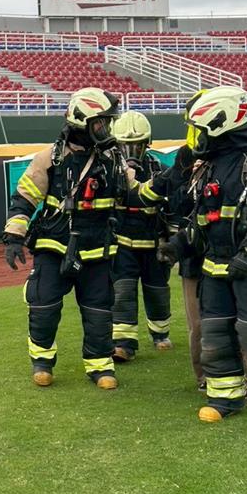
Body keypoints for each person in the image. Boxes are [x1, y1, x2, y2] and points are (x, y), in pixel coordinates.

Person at [141, 86, 247, 428]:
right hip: (214, 270)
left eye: (200, 129)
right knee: (214, 335)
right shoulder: (209, 167)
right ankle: (225, 396)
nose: (196, 137)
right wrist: (178, 246)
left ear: (220, 123)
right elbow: (203, 221)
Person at [3, 87, 127, 389]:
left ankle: (100, 365)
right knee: (44, 306)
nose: (106, 129)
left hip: (97, 247)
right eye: (101, 123)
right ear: (82, 121)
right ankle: (42, 362)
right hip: (53, 246)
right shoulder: (50, 158)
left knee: (99, 309)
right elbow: (24, 199)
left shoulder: (112, 159)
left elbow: (133, 191)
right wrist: (13, 237)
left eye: (107, 123)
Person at [109, 110, 172, 362]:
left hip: (153, 242)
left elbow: (173, 205)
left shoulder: (160, 170)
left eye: (137, 144)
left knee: (157, 290)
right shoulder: (109, 171)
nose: (131, 150)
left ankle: (160, 334)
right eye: (126, 144)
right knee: (122, 291)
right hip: (121, 242)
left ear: (148, 144)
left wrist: (170, 239)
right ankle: (124, 344)